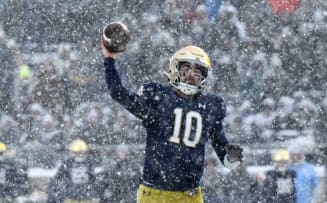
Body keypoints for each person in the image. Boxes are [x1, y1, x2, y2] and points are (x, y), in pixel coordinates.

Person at [101, 37, 243, 202]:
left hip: (190, 195)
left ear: (204, 77)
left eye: (197, 72)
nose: (191, 75)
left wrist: (232, 157)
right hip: (155, 193)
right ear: (174, 69)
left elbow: (227, 161)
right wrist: (109, 60)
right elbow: (118, 93)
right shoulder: (159, 97)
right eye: (186, 69)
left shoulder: (210, 106)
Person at [46, 138, 100, 203]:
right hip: (80, 196)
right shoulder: (88, 163)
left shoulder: (68, 163)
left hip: (73, 196)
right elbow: (94, 180)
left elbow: (58, 179)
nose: (80, 155)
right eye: (78, 153)